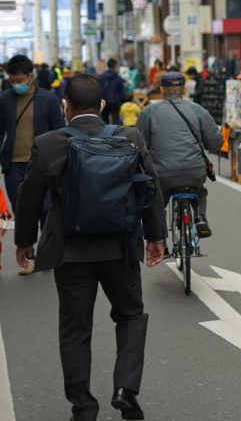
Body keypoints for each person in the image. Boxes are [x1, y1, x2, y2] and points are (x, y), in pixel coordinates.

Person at [14, 74, 164, 421]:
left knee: (75, 329)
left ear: (66, 107)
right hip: (121, 248)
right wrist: (155, 237)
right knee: (130, 315)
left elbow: (29, 197)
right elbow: (150, 189)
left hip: (70, 252)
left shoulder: (49, 143)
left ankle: (83, 408)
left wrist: (25, 242)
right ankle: (126, 388)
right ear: (102, 106)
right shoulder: (130, 137)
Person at [137, 72, 222, 238]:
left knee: (158, 199)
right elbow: (215, 143)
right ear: (184, 90)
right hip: (194, 171)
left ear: (162, 90)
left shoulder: (149, 112)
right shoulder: (198, 110)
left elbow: (140, 146)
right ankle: (200, 218)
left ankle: (158, 237)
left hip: (162, 173)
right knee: (200, 191)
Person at [0, 54, 65, 213]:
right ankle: (24, 239)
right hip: (14, 166)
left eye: (19, 80)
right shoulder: (4, 99)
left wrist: (59, 162)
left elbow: (59, 131)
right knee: (21, 211)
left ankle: (45, 238)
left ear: (31, 76)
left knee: (46, 210)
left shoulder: (48, 99)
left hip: (42, 164)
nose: (16, 84)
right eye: (12, 81)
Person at [99, 58, 126, 124]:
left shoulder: (102, 77)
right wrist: (122, 102)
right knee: (116, 121)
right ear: (115, 66)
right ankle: (115, 133)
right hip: (115, 103)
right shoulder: (118, 78)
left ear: (107, 65)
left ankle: (105, 133)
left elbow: (99, 90)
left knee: (104, 122)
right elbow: (122, 93)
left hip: (104, 102)